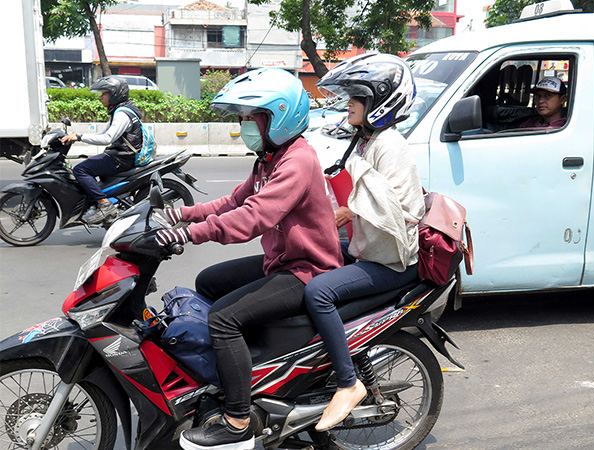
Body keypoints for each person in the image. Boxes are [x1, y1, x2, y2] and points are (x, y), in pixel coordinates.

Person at [154, 68, 343, 450]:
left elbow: (254, 217)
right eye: (242, 119)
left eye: (252, 118)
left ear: (280, 116)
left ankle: (238, 419)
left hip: (306, 268)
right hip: (282, 261)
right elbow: (233, 201)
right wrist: (181, 214)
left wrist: (189, 234)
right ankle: (248, 369)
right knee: (209, 282)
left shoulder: (297, 161)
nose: (245, 127)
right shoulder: (268, 159)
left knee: (223, 318)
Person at [305, 53, 426, 431]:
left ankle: (347, 382)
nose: (350, 104)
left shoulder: (389, 145)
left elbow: (393, 206)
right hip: (367, 248)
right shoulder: (367, 140)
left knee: (318, 294)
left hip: (390, 261)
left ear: (380, 101)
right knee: (306, 259)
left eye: (358, 97)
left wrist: (347, 212)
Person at [61, 75, 143, 224]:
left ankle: (104, 204)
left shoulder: (122, 114)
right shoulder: (120, 110)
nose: (101, 97)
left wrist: (79, 137)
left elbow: (107, 138)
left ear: (115, 94)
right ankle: (96, 202)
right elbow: (103, 134)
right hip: (120, 155)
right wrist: (77, 136)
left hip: (121, 158)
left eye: (104, 93)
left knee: (80, 170)